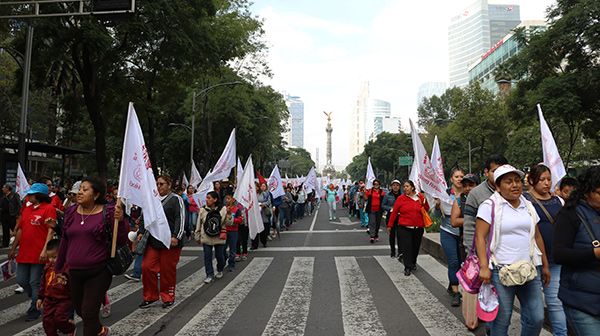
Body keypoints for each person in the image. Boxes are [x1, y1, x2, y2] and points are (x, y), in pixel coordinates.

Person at [475, 165, 550, 336]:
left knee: (536, 317)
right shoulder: (489, 206)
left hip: (530, 269)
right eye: (508, 182)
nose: (515, 185)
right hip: (501, 271)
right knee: (502, 320)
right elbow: (480, 237)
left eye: (517, 181)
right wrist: (484, 266)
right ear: (498, 186)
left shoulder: (528, 205)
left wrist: (544, 264)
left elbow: (537, 237)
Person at [54, 177, 128, 336]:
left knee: (88, 312)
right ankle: (100, 330)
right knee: (82, 310)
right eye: (80, 188)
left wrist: (120, 221)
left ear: (96, 195)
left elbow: (121, 240)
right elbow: (65, 241)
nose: (80, 192)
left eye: (85, 189)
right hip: (74, 272)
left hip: (99, 271)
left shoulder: (108, 211)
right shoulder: (72, 212)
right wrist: (59, 268)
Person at [553, 166, 600, 335]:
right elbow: (559, 254)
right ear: (587, 192)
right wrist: (594, 253)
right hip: (580, 301)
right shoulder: (569, 214)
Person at [524, 164, 567, 336]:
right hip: (533, 261)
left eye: (549, 179)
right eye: (542, 180)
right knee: (533, 311)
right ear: (533, 181)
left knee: (556, 304)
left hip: (555, 259)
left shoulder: (559, 201)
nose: (547, 183)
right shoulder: (524, 201)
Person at [8, 182, 56, 321]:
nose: (28, 196)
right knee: (22, 280)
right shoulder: (27, 210)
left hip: (38, 253)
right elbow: (21, 230)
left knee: (35, 282)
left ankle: (35, 309)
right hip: (24, 252)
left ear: (39, 196)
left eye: (32, 194)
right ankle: (39, 298)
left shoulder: (49, 209)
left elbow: (50, 231)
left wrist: (45, 250)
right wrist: (13, 248)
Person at [138, 175, 185, 309]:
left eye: (162, 184)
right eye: (157, 184)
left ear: (169, 185)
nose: (159, 187)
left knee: (167, 270)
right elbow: (144, 217)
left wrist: (177, 236)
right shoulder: (151, 200)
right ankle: (150, 296)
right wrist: (141, 232)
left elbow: (179, 219)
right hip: (154, 241)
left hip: (170, 242)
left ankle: (167, 296)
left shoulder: (176, 200)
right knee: (146, 267)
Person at [450, 173, 480, 330]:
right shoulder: (460, 201)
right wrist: (475, 219)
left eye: (472, 185)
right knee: (471, 281)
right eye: (466, 185)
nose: (468, 188)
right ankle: (471, 318)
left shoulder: (486, 201)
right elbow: (454, 221)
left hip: (488, 247)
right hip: (468, 245)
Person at [463, 154, 509, 253]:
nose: (499, 174)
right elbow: (469, 227)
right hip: (485, 253)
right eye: (494, 171)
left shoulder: (513, 193)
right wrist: (472, 253)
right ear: (486, 172)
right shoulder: (476, 194)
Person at [435, 168, 464, 307]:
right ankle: (456, 293)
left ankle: (451, 284)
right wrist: (436, 206)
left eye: (461, 176)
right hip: (447, 231)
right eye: (456, 176)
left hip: (464, 232)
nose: (459, 179)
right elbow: (435, 215)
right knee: (453, 262)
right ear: (451, 179)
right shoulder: (444, 194)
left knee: (462, 263)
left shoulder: (468, 193)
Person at [388, 180, 428, 276]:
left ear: (412, 187)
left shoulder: (420, 197)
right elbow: (394, 213)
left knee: (415, 247)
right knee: (407, 247)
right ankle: (407, 266)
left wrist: (424, 200)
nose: (405, 188)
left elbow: (426, 209)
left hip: (418, 227)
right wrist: (390, 225)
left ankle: (413, 262)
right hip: (404, 228)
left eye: (407, 186)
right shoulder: (401, 199)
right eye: (404, 186)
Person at [36, 238, 75, 336]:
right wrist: (40, 297)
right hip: (49, 299)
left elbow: (73, 281)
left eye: (54, 257)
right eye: (50, 257)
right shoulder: (48, 267)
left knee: (59, 318)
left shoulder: (66, 267)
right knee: (47, 322)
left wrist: (65, 278)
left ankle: (70, 329)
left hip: (63, 299)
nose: (52, 260)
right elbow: (43, 282)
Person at [195, 191, 227, 284]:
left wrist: (229, 215)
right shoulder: (203, 210)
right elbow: (199, 223)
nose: (207, 200)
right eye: (206, 197)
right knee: (207, 257)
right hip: (206, 236)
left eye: (209, 198)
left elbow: (227, 223)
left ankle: (220, 268)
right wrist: (197, 236)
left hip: (219, 237)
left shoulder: (223, 209)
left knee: (220, 256)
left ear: (215, 199)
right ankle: (209, 274)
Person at [381, 180, 402, 258]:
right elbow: (383, 205)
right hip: (391, 217)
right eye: (394, 185)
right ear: (391, 186)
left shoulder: (403, 195)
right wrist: (390, 209)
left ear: (399, 187)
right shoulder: (387, 195)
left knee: (400, 235)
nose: (395, 187)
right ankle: (393, 252)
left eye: (397, 185)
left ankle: (400, 252)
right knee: (392, 235)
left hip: (401, 217)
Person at [223, 193, 242, 271]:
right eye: (226, 199)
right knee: (223, 248)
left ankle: (231, 264)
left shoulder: (237, 209)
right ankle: (225, 259)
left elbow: (240, 220)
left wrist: (233, 220)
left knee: (232, 249)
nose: (227, 200)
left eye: (228, 198)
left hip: (233, 231)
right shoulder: (223, 208)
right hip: (224, 230)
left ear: (233, 200)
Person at [252, 182, 272, 249]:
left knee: (263, 229)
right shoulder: (251, 194)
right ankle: (254, 244)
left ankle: (264, 242)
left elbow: (268, 201)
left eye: (256, 186)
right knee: (254, 229)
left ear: (258, 187)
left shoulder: (264, 194)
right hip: (254, 214)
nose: (255, 188)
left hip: (262, 213)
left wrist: (263, 204)